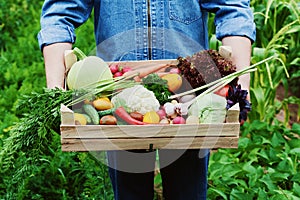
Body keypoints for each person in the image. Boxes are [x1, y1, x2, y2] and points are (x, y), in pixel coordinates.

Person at [38, 1, 256, 199]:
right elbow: (60, 12)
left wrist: (240, 85)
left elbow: (233, 8)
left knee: (187, 191)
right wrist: (56, 89)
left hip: (189, 98)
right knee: (129, 191)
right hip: (119, 95)